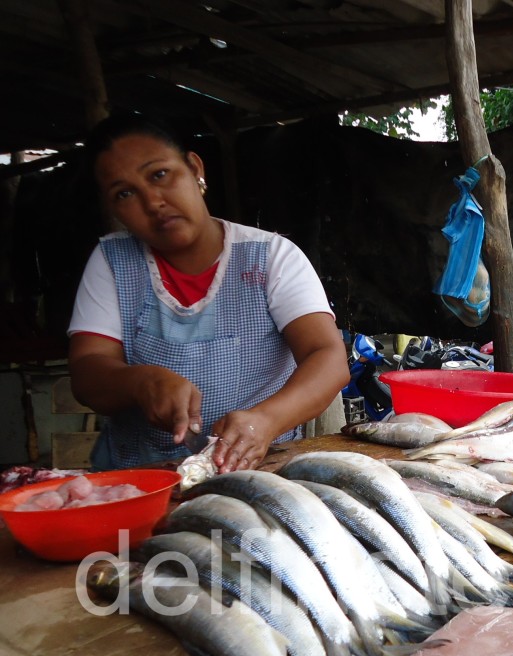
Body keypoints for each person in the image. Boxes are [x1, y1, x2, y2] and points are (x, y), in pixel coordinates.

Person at [67, 113, 349, 472]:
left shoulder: (271, 256)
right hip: (145, 476)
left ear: (195, 169)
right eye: (125, 193)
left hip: (259, 468)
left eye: (160, 174)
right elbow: (88, 372)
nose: (152, 202)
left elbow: (327, 356)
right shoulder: (111, 262)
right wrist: (140, 382)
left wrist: (265, 421)